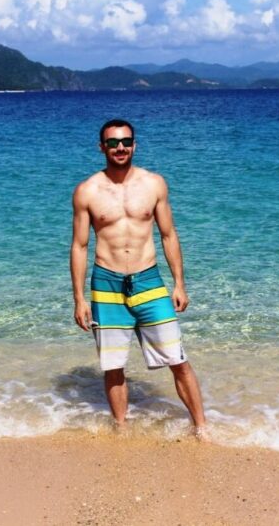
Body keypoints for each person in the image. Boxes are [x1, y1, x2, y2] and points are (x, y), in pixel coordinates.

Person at [69, 119, 208, 439]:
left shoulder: (154, 184)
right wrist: (78, 298)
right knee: (113, 364)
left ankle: (201, 428)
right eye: (113, 143)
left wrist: (179, 283)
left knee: (178, 359)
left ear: (135, 144)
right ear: (101, 147)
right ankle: (121, 429)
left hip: (148, 279)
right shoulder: (87, 191)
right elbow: (79, 245)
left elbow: (169, 234)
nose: (121, 148)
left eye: (126, 142)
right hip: (106, 284)